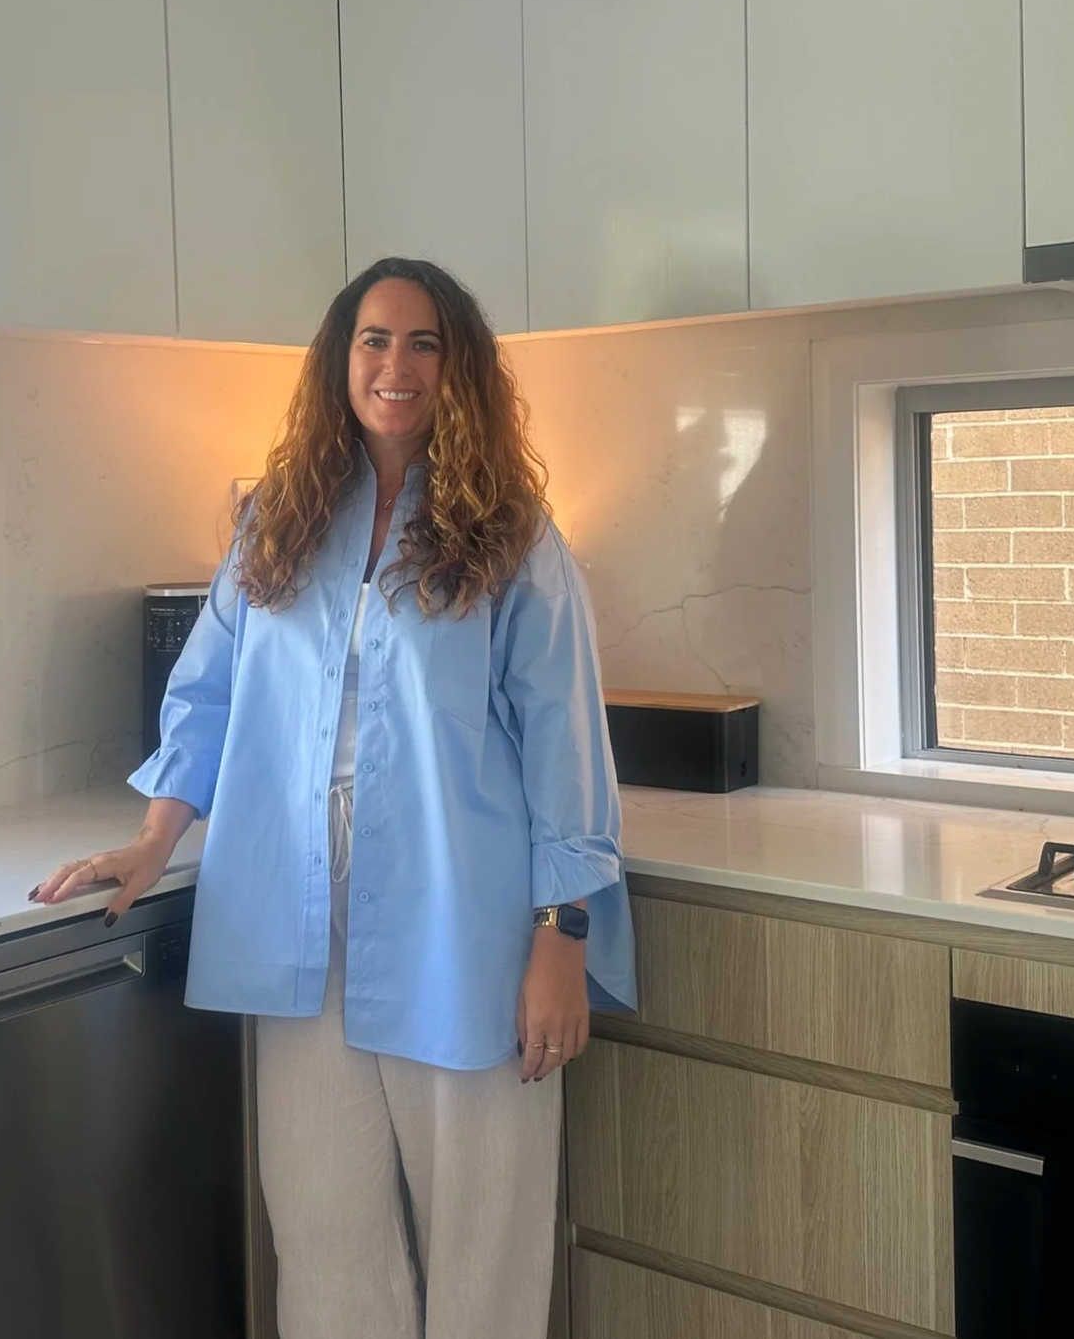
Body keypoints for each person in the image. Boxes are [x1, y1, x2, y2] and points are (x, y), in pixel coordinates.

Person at [33, 257, 636, 1339]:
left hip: (463, 905)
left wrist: (562, 935)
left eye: (421, 343)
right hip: (290, 896)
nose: (393, 365)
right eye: (372, 340)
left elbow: (565, 745)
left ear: (458, 371)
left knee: (481, 1242)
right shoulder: (277, 518)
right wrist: (151, 838)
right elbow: (208, 689)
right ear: (338, 360)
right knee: (321, 1234)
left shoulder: (514, 535)